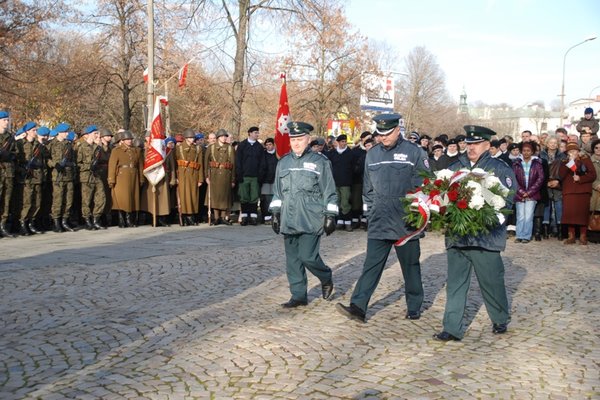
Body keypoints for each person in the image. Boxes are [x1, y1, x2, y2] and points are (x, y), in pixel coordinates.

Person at [336, 113, 428, 323]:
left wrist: (416, 214)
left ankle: (414, 305)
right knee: (371, 264)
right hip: (379, 217)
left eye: (387, 134)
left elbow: (424, 185)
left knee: (410, 265)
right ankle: (358, 306)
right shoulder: (373, 154)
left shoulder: (414, 152)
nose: (383, 138)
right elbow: (367, 187)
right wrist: (370, 212)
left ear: (397, 130)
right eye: (380, 134)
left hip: (405, 219)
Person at [433, 125, 516, 341]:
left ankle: (499, 318)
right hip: (458, 236)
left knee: (491, 282)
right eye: (468, 144)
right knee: (455, 284)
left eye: (476, 144)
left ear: (488, 145)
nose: (470, 148)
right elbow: (442, 195)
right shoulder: (454, 167)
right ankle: (451, 328)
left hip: (485, 237)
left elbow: (507, 201)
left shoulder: (500, 168)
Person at [269, 121, 338, 308]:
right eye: (293, 139)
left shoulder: (320, 162)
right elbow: (277, 192)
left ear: (308, 139)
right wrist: (275, 213)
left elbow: (329, 191)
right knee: (293, 260)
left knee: (308, 256)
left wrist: (330, 216)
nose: (296, 143)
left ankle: (326, 276)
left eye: (300, 139)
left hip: (311, 218)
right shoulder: (283, 163)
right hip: (289, 218)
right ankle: (298, 295)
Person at [559, 142, 596, 245]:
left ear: (578, 151)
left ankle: (583, 236)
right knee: (570, 214)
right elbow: (561, 175)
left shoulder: (585, 160)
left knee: (582, 213)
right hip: (569, 191)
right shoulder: (565, 161)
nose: (573, 153)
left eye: (574, 151)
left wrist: (580, 178)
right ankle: (571, 236)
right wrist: (570, 163)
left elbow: (593, 175)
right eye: (570, 151)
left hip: (583, 191)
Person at [107, 130, 144, 228]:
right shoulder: (116, 151)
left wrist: (141, 178)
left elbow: (140, 166)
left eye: (130, 139)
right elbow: (112, 166)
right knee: (121, 199)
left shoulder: (137, 150)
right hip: (121, 177)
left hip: (134, 176)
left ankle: (129, 219)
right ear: (122, 140)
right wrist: (111, 179)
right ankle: (121, 220)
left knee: (132, 198)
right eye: (127, 139)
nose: (129, 141)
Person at [47, 123, 77, 233]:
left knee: (68, 200)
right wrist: (55, 164)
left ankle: (65, 220)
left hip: (68, 175)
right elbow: (46, 158)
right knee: (58, 200)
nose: (67, 134)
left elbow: (73, 160)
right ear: (60, 132)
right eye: (65, 132)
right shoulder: (51, 144)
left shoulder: (68, 145)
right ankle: (56, 222)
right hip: (57, 176)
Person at [512, 142, 544, 243]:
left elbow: (540, 178)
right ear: (521, 151)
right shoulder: (516, 163)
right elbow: (513, 179)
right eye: (524, 151)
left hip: (532, 194)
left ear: (532, 152)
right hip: (519, 194)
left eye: (528, 151)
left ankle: (526, 236)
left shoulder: (537, 163)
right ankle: (519, 235)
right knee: (520, 215)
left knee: (528, 216)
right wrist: (521, 192)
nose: (526, 153)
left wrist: (529, 192)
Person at [77, 125, 106, 230]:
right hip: (86, 176)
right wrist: (88, 166)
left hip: (96, 175)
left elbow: (101, 161)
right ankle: (87, 220)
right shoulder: (81, 147)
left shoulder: (97, 147)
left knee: (101, 197)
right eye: (95, 134)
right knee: (87, 200)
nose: (97, 135)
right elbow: (78, 163)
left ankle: (96, 219)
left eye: (97, 133)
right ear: (89, 134)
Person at [205, 129, 236, 225]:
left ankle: (223, 217)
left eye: (225, 136)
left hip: (226, 175)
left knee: (224, 197)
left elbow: (233, 164)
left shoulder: (230, 148)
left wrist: (233, 179)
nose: (224, 138)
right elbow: (206, 162)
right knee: (215, 197)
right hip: (214, 175)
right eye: (222, 136)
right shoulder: (211, 147)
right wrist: (206, 176)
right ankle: (216, 217)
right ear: (218, 138)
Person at [175, 128, 204, 226]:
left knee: (193, 196)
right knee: (184, 196)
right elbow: (174, 163)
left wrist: (200, 179)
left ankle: (192, 216)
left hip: (194, 174)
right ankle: (185, 216)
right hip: (182, 174)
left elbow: (200, 164)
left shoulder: (198, 148)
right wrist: (175, 177)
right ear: (186, 138)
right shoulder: (178, 148)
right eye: (190, 138)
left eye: (193, 138)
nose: (192, 139)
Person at [236, 126, 264, 225]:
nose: (257, 134)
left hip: (255, 176)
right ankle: (244, 217)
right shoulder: (242, 145)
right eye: (255, 133)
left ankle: (253, 217)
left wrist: (260, 175)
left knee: (254, 197)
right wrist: (239, 174)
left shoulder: (259, 147)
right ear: (250, 133)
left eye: (257, 133)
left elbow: (262, 162)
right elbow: (238, 161)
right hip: (244, 176)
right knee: (244, 197)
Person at [326, 134, 355, 231]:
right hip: (335, 181)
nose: (344, 143)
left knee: (345, 202)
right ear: (338, 142)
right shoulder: (332, 153)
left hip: (346, 182)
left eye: (345, 141)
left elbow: (354, 167)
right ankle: (339, 221)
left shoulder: (350, 153)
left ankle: (347, 222)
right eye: (342, 141)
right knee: (337, 202)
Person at [0, 110, 17, 237]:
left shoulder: (10, 137)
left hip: (8, 172)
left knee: (6, 199)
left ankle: (3, 225)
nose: (7, 122)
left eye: (7, 120)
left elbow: (16, 154)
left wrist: (9, 155)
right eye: (4, 120)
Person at [258, 137, 277, 225]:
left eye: (270, 144)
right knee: (265, 200)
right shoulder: (263, 154)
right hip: (265, 180)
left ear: (273, 145)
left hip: (275, 180)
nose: (268, 146)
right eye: (267, 145)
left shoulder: (277, 155)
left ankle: (274, 216)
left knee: (274, 199)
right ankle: (266, 217)